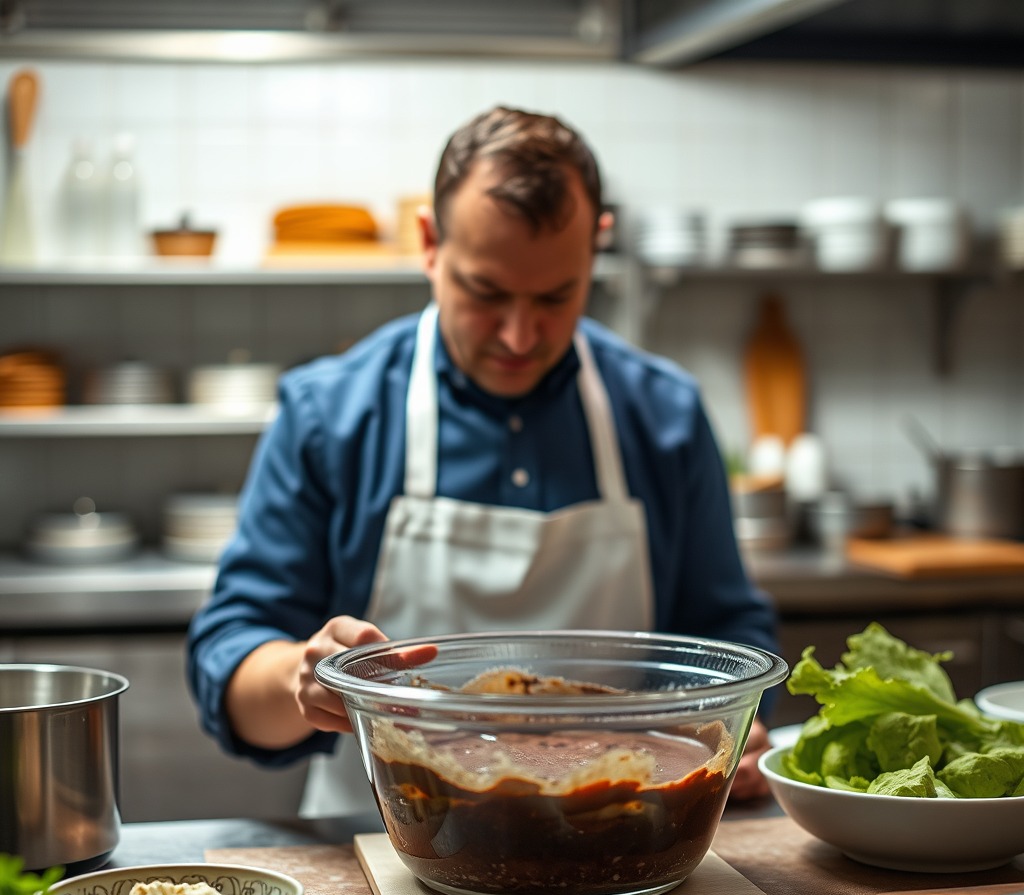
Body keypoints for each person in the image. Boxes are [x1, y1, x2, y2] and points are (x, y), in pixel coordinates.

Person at [187, 105, 778, 817]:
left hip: (626, 836)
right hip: (386, 842)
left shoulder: (664, 417)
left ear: (597, 248)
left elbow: (728, 635)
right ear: (431, 245)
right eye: (486, 293)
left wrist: (739, 731)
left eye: (556, 296)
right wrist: (298, 681)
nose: (520, 335)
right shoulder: (331, 416)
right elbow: (229, 655)